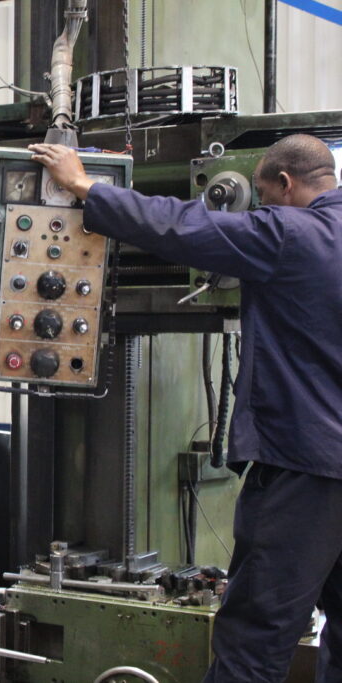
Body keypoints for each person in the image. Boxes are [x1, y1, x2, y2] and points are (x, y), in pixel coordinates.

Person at [29, 135, 342, 683]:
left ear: (285, 184)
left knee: (255, 639)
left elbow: (182, 225)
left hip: (306, 468)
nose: (263, 209)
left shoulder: (291, 234)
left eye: (265, 198)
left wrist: (85, 186)